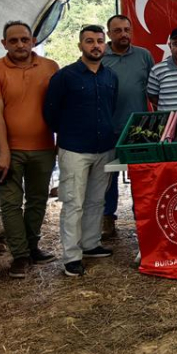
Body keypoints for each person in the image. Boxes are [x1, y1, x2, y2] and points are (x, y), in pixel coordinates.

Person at [44, 25, 119, 276]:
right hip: (75, 149)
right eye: (89, 41)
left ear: (105, 45)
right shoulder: (65, 76)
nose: (95, 45)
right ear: (80, 45)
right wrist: (69, 132)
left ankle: (90, 244)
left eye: (99, 41)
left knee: (96, 200)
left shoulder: (110, 77)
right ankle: (71, 256)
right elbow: (51, 112)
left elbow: (111, 107)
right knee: (73, 203)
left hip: (104, 148)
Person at [0, 21, 59, 278]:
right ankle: (20, 256)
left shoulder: (50, 67)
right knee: (10, 204)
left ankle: (32, 248)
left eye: (24, 39)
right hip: (6, 150)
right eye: (13, 40)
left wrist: (61, 142)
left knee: (37, 200)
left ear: (33, 41)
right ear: (4, 44)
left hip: (43, 147)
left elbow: (60, 107)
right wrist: (3, 151)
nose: (20, 44)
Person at [100, 14, 154, 240]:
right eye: (118, 30)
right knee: (107, 178)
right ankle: (107, 218)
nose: (123, 34)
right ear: (109, 33)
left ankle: (142, 217)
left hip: (138, 129)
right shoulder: (100, 56)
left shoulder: (144, 55)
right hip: (107, 127)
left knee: (141, 176)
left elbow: (153, 89)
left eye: (126, 30)